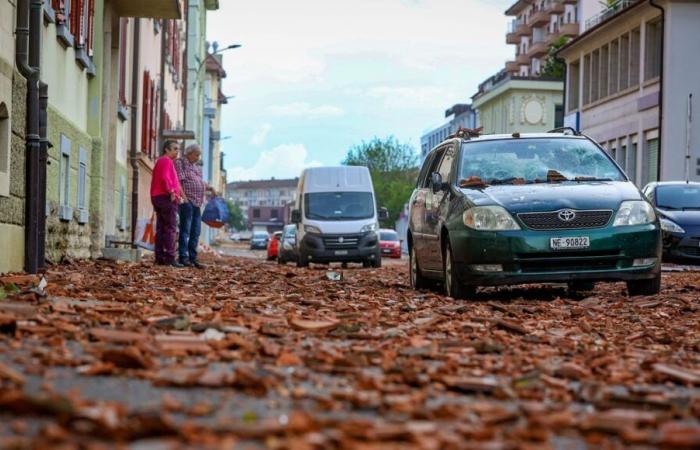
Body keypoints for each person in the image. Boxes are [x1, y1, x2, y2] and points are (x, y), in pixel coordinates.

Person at [175, 144, 216, 269]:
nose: (198, 158)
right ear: (189, 153)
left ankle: (193, 258)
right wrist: (185, 199)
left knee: (195, 231)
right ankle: (183, 257)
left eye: (199, 155)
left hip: (197, 203)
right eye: (197, 155)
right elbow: (178, 182)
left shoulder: (196, 167)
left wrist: (210, 187)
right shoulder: (180, 162)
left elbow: (200, 182)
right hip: (187, 201)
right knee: (185, 230)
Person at [150, 140, 183, 267]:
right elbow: (165, 177)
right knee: (170, 228)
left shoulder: (161, 161)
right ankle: (170, 257)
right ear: (166, 150)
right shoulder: (166, 161)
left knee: (161, 227)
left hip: (158, 196)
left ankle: (160, 257)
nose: (177, 151)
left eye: (178, 149)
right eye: (174, 149)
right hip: (165, 197)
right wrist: (172, 192)